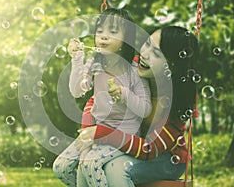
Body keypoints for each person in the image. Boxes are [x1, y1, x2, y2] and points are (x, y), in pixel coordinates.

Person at [77, 26, 199, 186]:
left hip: (166, 159)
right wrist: (88, 131)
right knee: (83, 164)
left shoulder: (178, 102)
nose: (144, 54)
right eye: (147, 43)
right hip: (131, 144)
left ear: (172, 65)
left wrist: (101, 133)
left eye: (155, 53)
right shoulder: (133, 68)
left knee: (116, 168)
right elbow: (96, 99)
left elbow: (150, 149)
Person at [52, 8, 152, 187]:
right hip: (96, 132)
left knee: (89, 164)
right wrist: (76, 59)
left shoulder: (134, 70)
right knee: (61, 167)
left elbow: (145, 109)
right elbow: (76, 90)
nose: (103, 37)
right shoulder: (95, 63)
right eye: (100, 31)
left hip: (124, 134)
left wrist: (124, 93)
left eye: (112, 32)